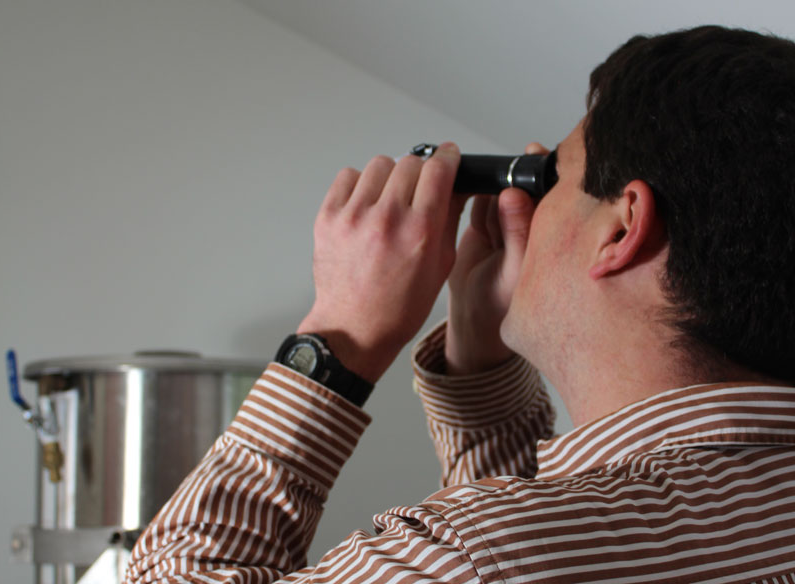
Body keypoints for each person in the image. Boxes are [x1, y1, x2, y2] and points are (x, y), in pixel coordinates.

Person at [125, 25, 795, 583]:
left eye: (551, 177)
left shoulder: (468, 559)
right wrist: (480, 363)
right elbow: (549, 523)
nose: (530, 206)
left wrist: (337, 338)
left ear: (620, 229)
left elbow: (518, 542)